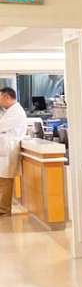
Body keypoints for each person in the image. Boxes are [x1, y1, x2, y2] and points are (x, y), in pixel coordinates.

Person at [0, 87, 27, 216]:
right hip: (5, 150)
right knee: (3, 181)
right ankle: (2, 209)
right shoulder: (10, 111)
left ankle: (4, 211)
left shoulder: (16, 111)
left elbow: (1, 126)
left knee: (5, 181)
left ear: (6, 97)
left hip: (9, 150)